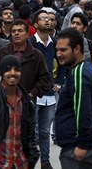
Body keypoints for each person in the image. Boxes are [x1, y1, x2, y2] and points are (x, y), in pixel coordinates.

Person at [55, 28, 92, 168]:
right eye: (57, 50)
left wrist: (82, 145)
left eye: (63, 50)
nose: (59, 54)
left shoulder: (79, 73)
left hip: (79, 148)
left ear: (77, 49)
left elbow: (84, 111)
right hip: (79, 146)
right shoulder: (80, 70)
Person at [0, 19, 50, 99]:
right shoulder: (2, 53)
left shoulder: (36, 55)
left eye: (20, 31)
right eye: (14, 31)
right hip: (3, 100)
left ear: (27, 34)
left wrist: (31, 94)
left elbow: (44, 79)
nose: (16, 33)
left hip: (27, 102)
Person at [30, 10, 61, 169]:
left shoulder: (55, 43)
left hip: (49, 94)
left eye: (49, 19)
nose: (47, 21)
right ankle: (27, 162)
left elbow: (64, 63)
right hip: (32, 94)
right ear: (36, 24)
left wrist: (59, 82)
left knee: (44, 132)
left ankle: (45, 162)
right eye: (43, 19)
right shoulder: (30, 43)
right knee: (30, 132)